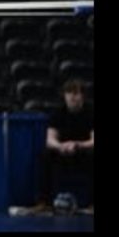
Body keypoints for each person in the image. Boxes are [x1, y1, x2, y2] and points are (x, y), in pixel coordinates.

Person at [33, 79, 94, 213]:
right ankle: (44, 202)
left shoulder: (90, 112)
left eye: (76, 93)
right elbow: (49, 140)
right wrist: (61, 147)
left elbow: (93, 140)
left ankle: (92, 203)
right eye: (69, 93)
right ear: (65, 96)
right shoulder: (58, 112)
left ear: (82, 95)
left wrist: (77, 145)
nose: (72, 96)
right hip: (63, 152)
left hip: (83, 151)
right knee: (45, 155)